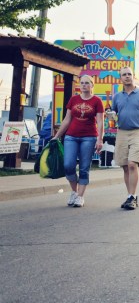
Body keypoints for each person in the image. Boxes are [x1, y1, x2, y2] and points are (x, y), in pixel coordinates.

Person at [52, 75, 104, 208]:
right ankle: (74, 192)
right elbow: (67, 119)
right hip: (71, 136)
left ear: (92, 85)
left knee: (84, 167)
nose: (84, 85)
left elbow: (100, 121)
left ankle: (80, 196)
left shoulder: (97, 101)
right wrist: (57, 136)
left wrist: (100, 139)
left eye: (87, 83)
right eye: (82, 83)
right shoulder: (74, 99)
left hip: (89, 137)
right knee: (68, 165)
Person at [109, 67, 139, 210]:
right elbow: (113, 115)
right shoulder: (117, 97)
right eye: (124, 75)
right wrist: (110, 116)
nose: (127, 76)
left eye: (129, 74)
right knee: (124, 166)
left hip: (138, 132)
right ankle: (130, 195)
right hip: (122, 132)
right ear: (121, 78)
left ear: (133, 76)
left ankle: (133, 197)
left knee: (132, 164)